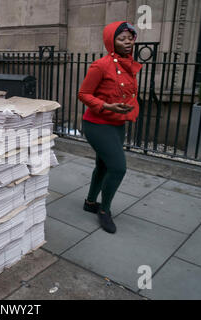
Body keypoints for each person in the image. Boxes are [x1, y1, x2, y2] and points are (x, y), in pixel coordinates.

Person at [78, 21, 142, 234]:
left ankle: (89, 202)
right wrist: (106, 105)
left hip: (117, 124)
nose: (128, 42)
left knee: (104, 165)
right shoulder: (100, 65)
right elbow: (83, 94)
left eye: (130, 38)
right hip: (97, 124)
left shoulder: (128, 65)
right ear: (111, 41)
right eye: (122, 38)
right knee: (118, 168)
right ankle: (104, 211)